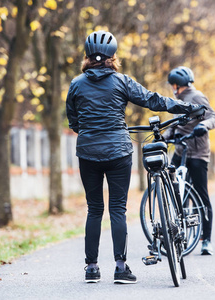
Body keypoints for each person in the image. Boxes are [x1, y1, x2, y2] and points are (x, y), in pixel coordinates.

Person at [66, 31, 204, 284]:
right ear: (112, 57)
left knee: (94, 209)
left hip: (87, 152)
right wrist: (186, 107)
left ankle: (92, 269)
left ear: (86, 57)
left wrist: (88, 133)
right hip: (118, 152)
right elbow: (153, 100)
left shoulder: (76, 84)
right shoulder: (121, 82)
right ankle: (120, 268)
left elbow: (73, 120)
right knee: (117, 208)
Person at [164, 66, 215, 255]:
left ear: (176, 85)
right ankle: (179, 234)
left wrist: (204, 125)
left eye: (173, 85)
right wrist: (163, 136)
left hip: (197, 153)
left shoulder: (196, 97)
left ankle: (206, 240)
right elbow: (176, 127)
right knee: (175, 192)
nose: (173, 88)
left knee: (201, 195)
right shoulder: (178, 101)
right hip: (181, 151)